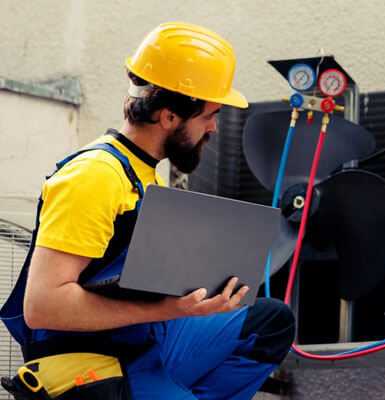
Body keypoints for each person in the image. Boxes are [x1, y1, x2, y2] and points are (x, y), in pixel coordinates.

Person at [1, 22, 294, 399]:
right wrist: (167, 308)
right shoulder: (94, 177)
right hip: (88, 363)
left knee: (269, 322)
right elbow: (42, 307)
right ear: (169, 116)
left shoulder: (143, 175)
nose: (215, 129)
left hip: (144, 344)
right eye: (208, 116)